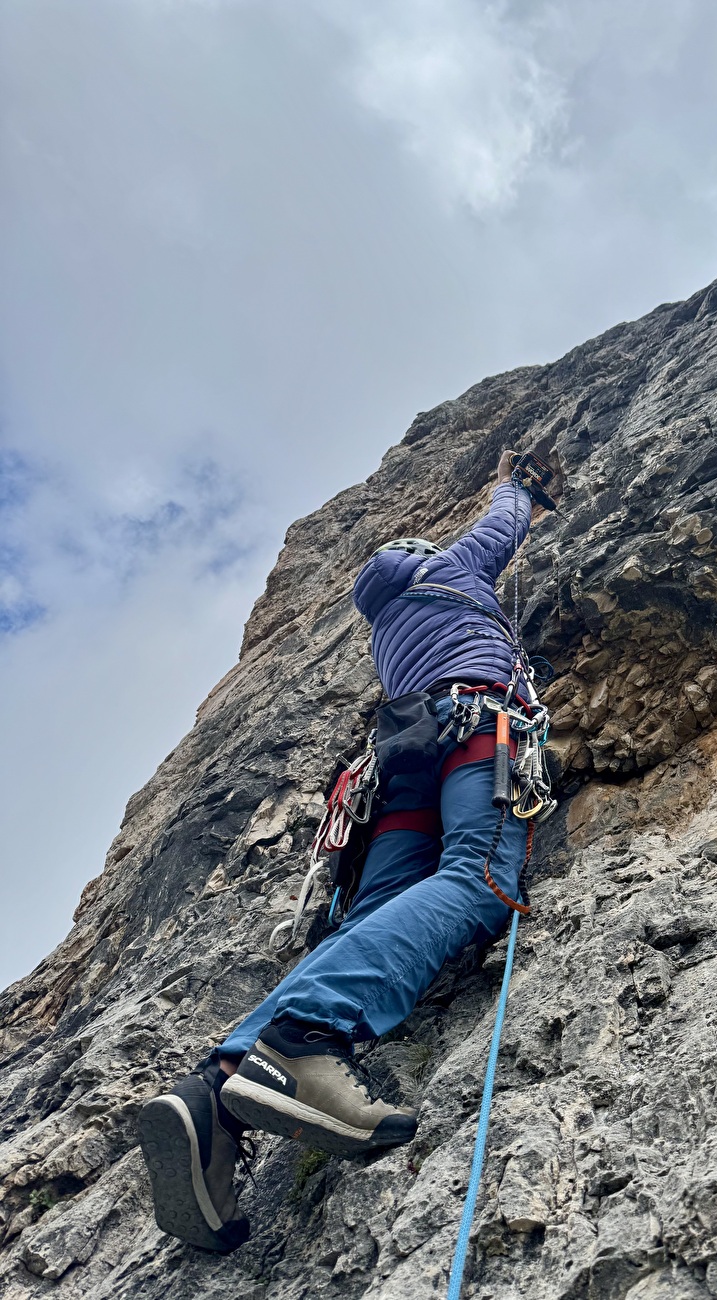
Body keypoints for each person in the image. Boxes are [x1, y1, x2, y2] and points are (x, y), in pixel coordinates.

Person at [138, 450, 552, 1253]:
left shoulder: (387, 623)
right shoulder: (452, 571)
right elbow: (498, 530)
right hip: (476, 727)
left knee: (373, 912)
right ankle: (305, 1038)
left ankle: (217, 1092)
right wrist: (520, 490)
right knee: (478, 878)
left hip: (396, 765)